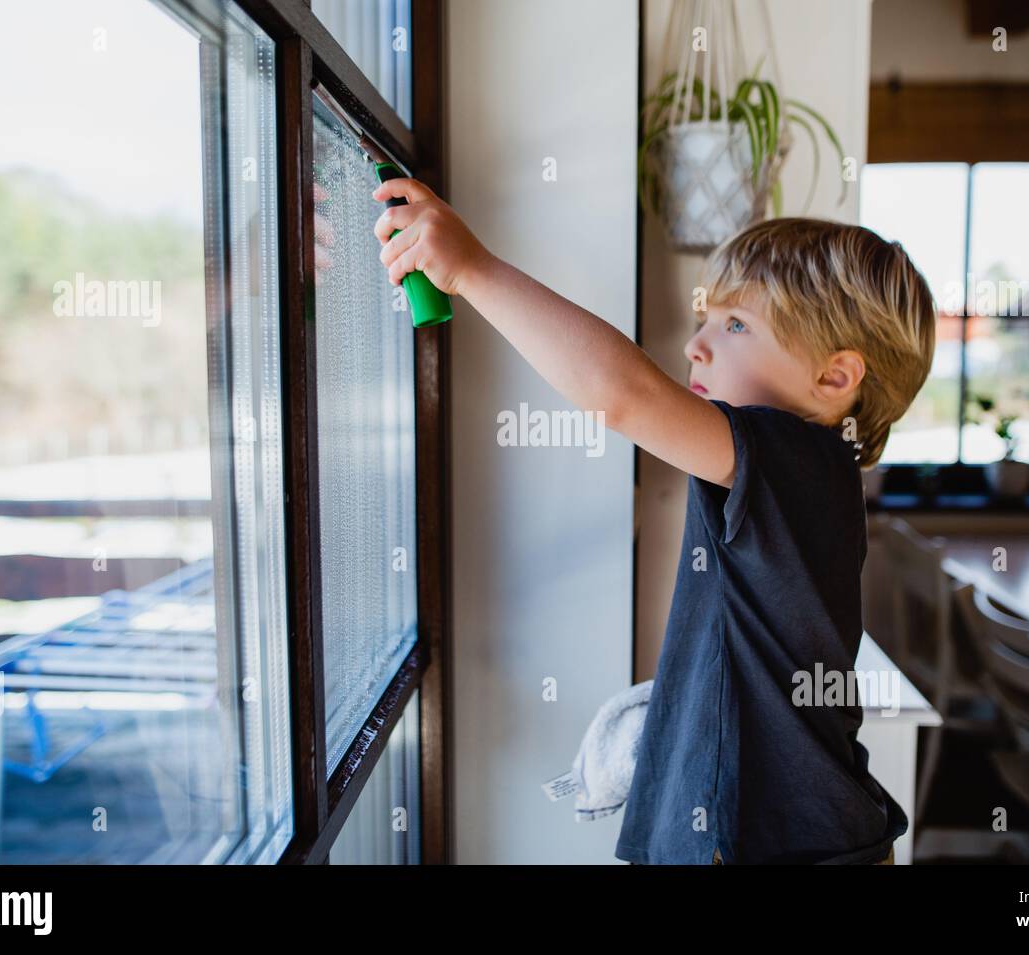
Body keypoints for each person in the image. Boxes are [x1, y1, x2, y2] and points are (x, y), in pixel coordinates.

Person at [372, 178, 937, 864]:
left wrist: (472, 269)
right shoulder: (795, 477)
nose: (697, 345)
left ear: (834, 377)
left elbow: (625, 397)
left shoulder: (803, 460)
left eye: (736, 325)